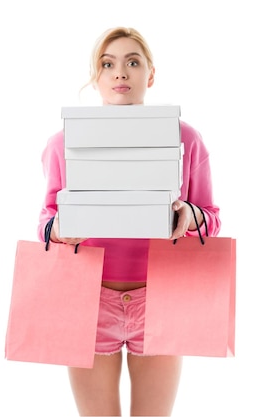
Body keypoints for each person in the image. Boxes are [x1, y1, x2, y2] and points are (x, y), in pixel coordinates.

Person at [37, 27, 221, 416]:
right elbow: (45, 221)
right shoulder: (62, 142)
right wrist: (61, 229)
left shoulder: (186, 139)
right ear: (97, 78)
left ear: (150, 75)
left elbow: (212, 220)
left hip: (162, 296)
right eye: (108, 65)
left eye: (132, 62)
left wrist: (189, 216)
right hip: (88, 297)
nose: (120, 73)